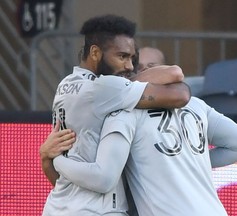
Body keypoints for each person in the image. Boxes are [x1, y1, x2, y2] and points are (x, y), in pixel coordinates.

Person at [41, 14, 191, 216]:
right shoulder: (104, 87)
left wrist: (46, 159)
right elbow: (179, 92)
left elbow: (59, 178)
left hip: (58, 206)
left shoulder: (66, 84)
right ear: (95, 52)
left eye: (132, 58)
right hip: (95, 211)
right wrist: (131, 81)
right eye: (122, 56)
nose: (129, 66)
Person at [53, 96, 237, 215]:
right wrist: (189, 161)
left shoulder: (126, 112)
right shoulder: (194, 104)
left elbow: (103, 179)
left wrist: (56, 160)